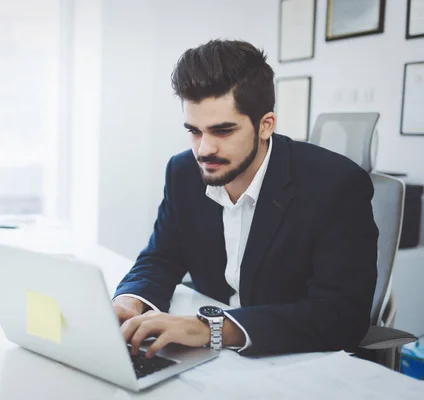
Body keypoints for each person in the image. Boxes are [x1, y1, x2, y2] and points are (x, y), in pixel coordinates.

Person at [111, 39, 378, 357]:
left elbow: (341, 317)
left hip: (296, 360)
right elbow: (161, 257)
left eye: (222, 131)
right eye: (194, 131)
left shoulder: (337, 185)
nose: (204, 149)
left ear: (266, 125)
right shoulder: (183, 172)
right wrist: (131, 298)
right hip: (211, 362)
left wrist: (212, 328)